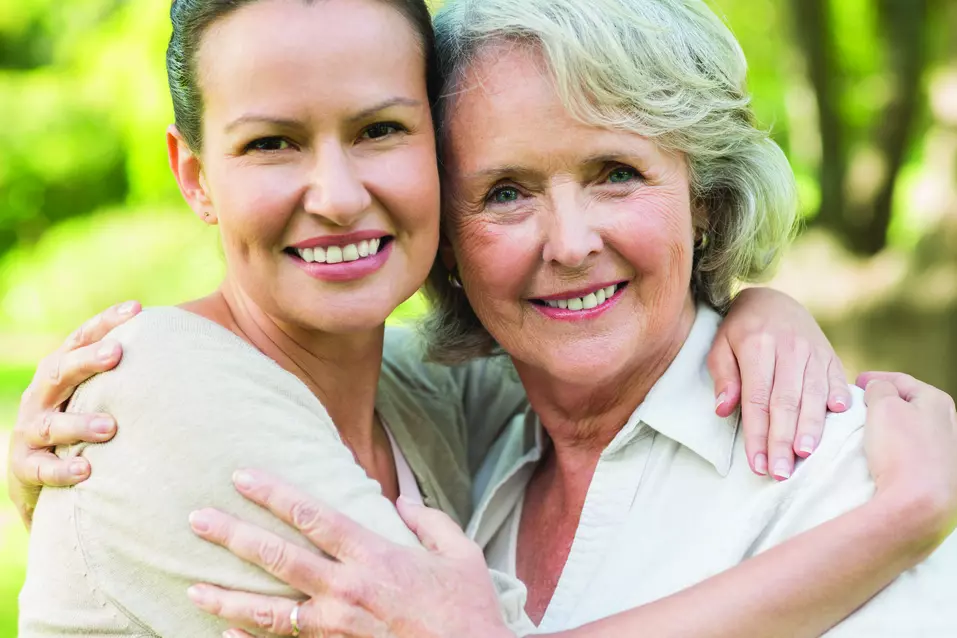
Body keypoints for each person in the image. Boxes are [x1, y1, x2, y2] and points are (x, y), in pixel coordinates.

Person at [8, 0, 954, 637]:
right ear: (195, 174)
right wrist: (895, 522)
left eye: (616, 173)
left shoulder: (439, 404)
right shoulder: (170, 393)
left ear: (703, 196)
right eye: (505, 190)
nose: (569, 240)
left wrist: (758, 304)